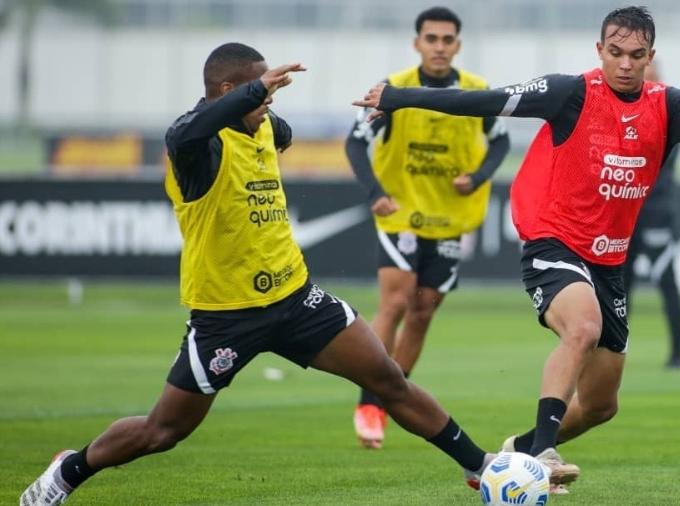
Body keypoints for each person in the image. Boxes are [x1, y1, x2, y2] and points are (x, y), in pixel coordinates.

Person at [20, 42, 496, 506]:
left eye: (270, 96)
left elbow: (279, 128)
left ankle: (482, 469)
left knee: (388, 380)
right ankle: (68, 471)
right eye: (261, 94)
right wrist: (248, 96)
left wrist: (374, 118)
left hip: (296, 298)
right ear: (228, 90)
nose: (269, 105)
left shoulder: (266, 126)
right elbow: (187, 130)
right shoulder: (195, 147)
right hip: (226, 315)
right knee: (163, 431)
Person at [353, 5, 680, 493]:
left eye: (636, 55)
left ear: (651, 56)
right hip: (551, 238)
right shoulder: (570, 92)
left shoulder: (668, 104)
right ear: (599, 50)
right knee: (582, 326)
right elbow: (488, 100)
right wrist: (399, 97)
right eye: (615, 52)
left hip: (609, 260)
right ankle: (541, 455)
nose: (624, 63)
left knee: (602, 406)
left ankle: (518, 449)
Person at [345, 6, 510, 450]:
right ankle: (369, 405)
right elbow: (356, 142)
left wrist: (476, 178)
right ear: (417, 43)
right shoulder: (394, 89)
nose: (439, 46)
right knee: (396, 301)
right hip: (400, 213)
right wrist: (376, 192)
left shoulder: (476, 92)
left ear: (458, 44)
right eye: (431, 39)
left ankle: (391, 398)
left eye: (447, 39)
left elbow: (501, 141)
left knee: (422, 311)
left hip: (450, 220)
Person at [621, 61, 680, 369]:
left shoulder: (669, 115)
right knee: (622, 286)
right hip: (626, 215)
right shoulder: (627, 116)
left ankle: (678, 347)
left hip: (655, 213)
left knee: (666, 281)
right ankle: (615, 347)